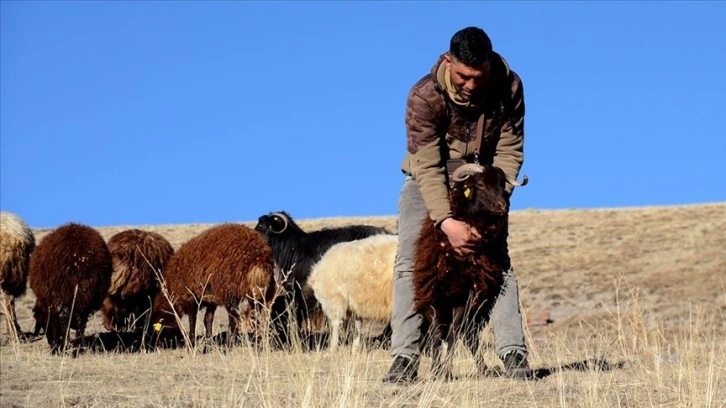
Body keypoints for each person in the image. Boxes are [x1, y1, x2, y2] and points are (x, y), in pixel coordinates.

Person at [383, 26, 532, 384]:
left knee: (499, 263)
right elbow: (427, 164)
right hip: (429, 181)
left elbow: (510, 149)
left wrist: (497, 196)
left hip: (485, 184)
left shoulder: (509, 87)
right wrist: (447, 222)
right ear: (449, 62)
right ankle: (404, 359)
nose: (470, 85)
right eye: (463, 77)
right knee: (409, 263)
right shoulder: (423, 96)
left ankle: (514, 355)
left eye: (478, 77)